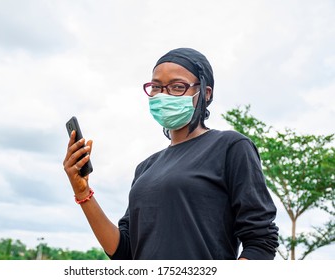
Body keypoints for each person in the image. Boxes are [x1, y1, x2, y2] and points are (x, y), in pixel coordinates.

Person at [63, 48, 279, 260]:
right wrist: (83, 193)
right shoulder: (145, 168)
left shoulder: (230, 147)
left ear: (205, 93)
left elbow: (261, 242)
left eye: (177, 87)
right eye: (156, 87)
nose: (163, 96)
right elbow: (124, 252)